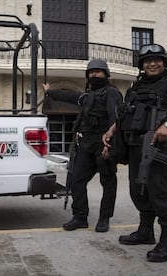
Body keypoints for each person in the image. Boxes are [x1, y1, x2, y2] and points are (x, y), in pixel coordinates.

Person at [103, 44, 167, 262]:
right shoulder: (135, 88)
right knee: (139, 192)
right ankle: (145, 232)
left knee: (161, 194)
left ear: (164, 63)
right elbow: (125, 115)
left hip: (158, 150)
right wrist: (111, 130)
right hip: (135, 148)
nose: (152, 64)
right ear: (142, 65)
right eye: (147, 61)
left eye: (157, 60)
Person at [43, 59, 123, 233]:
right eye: (91, 72)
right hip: (85, 143)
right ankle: (80, 217)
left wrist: (109, 145)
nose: (94, 74)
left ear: (105, 74)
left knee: (108, 181)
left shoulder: (111, 93)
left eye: (97, 71)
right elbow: (70, 97)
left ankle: (104, 218)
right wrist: (50, 92)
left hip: (103, 143)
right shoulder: (87, 96)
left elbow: (116, 120)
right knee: (76, 181)